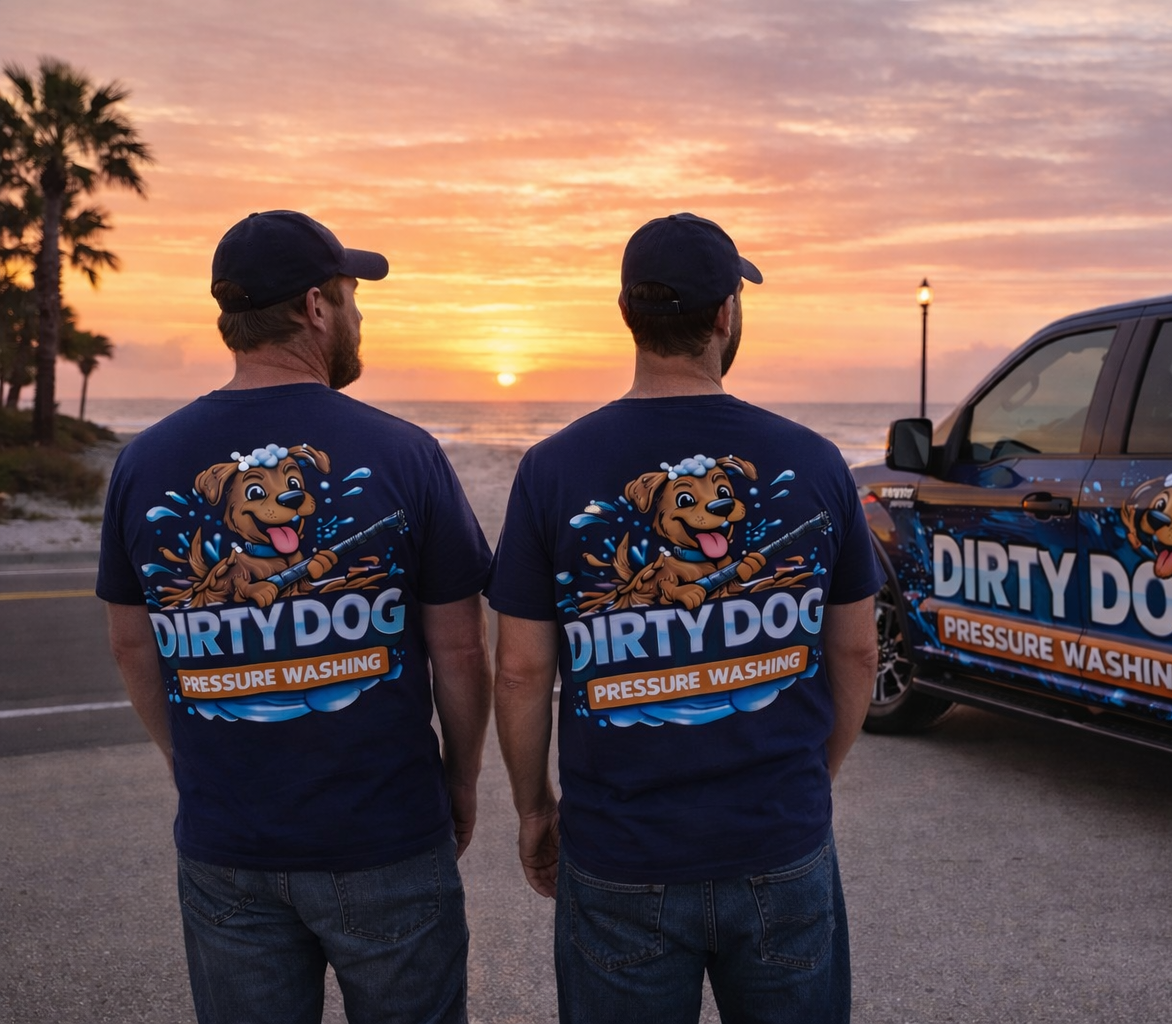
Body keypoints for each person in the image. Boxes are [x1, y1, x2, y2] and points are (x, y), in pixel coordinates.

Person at [97, 210, 493, 1024]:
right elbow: (460, 648)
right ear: (317, 307)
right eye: (352, 296)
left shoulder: (144, 459)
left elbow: (130, 641)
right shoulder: (405, 451)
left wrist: (190, 758)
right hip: (385, 836)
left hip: (227, 841)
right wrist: (459, 781)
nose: (358, 316)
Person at [487, 212, 882, 1024]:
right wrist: (810, 779)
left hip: (620, 857)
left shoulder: (551, 468)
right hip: (778, 844)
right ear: (725, 314)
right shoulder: (814, 461)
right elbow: (856, 657)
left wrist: (535, 807)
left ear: (628, 315)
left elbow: (522, 669)